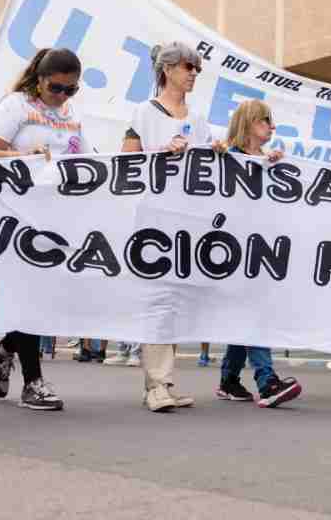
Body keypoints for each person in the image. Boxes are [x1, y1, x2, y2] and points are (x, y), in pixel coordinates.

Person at [0, 47, 93, 411]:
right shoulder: (16, 105)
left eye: (71, 89)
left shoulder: (72, 114)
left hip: (58, 216)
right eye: (56, 87)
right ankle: (33, 383)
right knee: (30, 295)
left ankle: (4, 347)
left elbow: (88, 159)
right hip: (19, 214)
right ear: (39, 80)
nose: (62, 96)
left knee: (47, 298)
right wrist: (21, 157)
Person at [121, 41, 211, 412]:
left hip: (186, 218)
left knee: (174, 301)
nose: (193, 74)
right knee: (157, 299)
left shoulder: (198, 118)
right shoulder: (144, 112)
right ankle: (156, 383)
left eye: (197, 68)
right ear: (168, 69)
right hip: (154, 216)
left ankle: (163, 382)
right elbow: (126, 161)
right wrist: (161, 152)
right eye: (188, 67)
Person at [209, 99, 303, 408]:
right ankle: (267, 381)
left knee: (246, 313)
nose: (272, 127)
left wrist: (274, 167)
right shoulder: (227, 156)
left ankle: (229, 379)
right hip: (234, 250)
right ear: (249, 123)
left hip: (261, 250)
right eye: (265, 120)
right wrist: (218, 155)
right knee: (252, 312)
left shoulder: (268, 160)